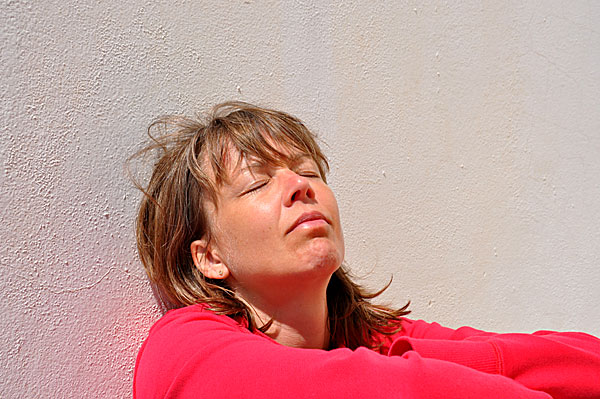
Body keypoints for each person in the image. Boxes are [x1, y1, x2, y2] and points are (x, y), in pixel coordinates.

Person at [131, 101, 600, 399]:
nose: (299, 186)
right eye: (257, 183)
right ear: (208, 256)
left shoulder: (374, 336)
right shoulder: (183, 349)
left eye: (309, 172)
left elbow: (579, 359)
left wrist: (422, 355)